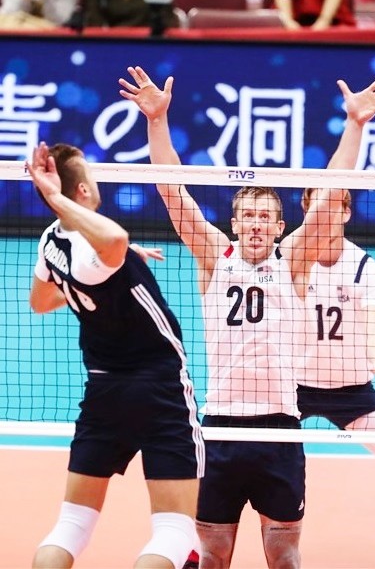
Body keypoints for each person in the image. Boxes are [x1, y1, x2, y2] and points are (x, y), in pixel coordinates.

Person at [118, 66, 375, 569]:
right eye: (247, 215)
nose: (255, 224)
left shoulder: (293, 262)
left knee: (283, 555)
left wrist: (355, 124)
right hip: (220, 429)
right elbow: (172, 192)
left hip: (280, 430)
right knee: (213, 554)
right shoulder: (214, 256)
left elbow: (331, 194)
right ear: (234, 222)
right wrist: (156, 121)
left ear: (279, 226)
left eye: (265, 216)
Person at [27, 140, 205, 569]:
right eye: (90, 175)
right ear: (82, 191)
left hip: (103, 390)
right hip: (159, 388)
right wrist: (109, 256)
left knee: (70, 527)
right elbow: (114, 238)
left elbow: (41, 301)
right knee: (175, 532)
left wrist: (116, 266)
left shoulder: (52, 241)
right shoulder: (101, 252)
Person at [293, 186, 375, 519]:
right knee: (227, 457)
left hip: (352, 393)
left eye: (332, 208)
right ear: (306, 213)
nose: (324, 216)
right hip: (291, 391)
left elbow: (374, 328)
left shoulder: (368, 270)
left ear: (346, 213)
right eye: (316, 209)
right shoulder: (288, 262)